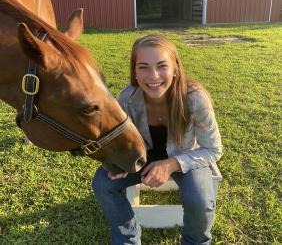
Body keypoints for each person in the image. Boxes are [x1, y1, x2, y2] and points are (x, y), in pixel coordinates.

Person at [92, 35, 222, 245]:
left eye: (162, 66)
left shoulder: (195, 98)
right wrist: (120, 160)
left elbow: (213, 150)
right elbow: (120, 139)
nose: (153, 76)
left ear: (176, 68)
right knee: (102, 183)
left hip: (187, 156)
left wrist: (171, 164)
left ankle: (196, 242)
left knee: (198, 198)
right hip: (145, 155)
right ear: (134, 71)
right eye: (143, 67)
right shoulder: (127, 98)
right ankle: (127, 239)